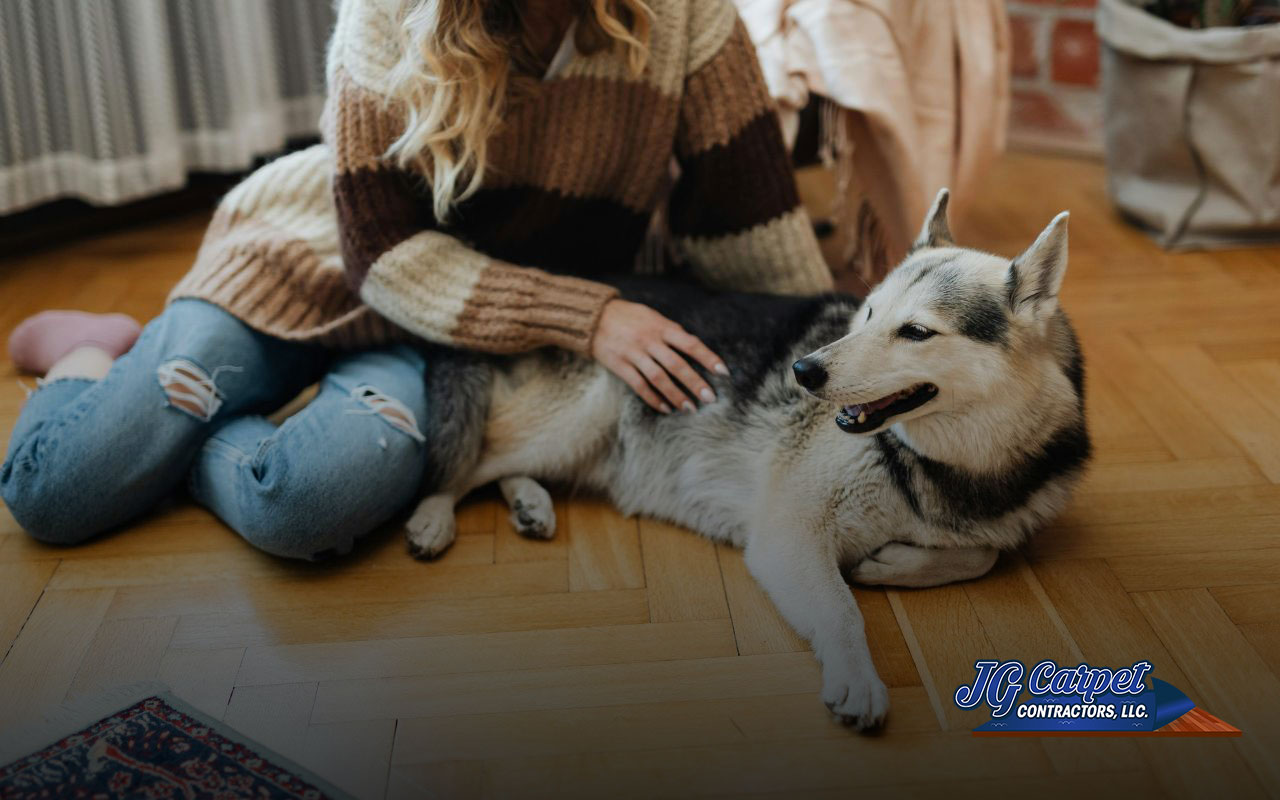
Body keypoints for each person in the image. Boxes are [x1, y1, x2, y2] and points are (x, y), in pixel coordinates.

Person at [1, 0, 832, 559]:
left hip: (455, 334)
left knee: (303, 506)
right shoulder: (388, 11)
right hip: (308, 266)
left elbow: (748, 230)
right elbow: (385, 256)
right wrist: (591, 316)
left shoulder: (689, 16)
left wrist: (842, 357)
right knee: (57, 495)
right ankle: (93, 354)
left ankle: (178, 427)